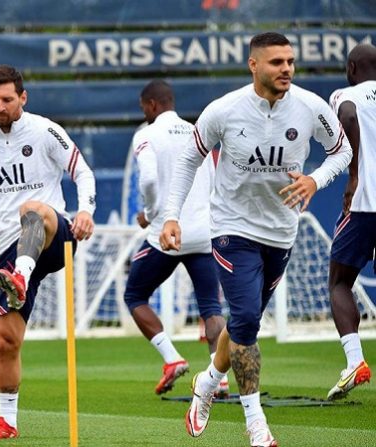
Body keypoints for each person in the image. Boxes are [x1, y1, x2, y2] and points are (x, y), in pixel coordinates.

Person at [159, 32, 352, 446]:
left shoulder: (309, 107)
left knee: (244, 321)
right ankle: (255, 423)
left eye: (290, 61)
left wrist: (316, 180)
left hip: (281, 232)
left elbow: (342, 150)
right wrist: (171, 215)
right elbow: (189, 157)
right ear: (253, 65)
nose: (286, 69)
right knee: (246, 320)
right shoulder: (224, 110)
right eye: (276, 62)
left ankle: (208, 381)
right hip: (232, 229)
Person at [0, 65, 96, 440]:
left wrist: (86, 211)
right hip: (9, 247)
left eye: (7, 99)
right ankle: (7, 422)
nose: (0, 107)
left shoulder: (45, 130)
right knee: (5, 340)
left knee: (31, 210)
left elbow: (82, 172)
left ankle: (19, 275)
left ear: (23, 97)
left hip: (55, 235)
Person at [124, 80, 227, 396]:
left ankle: (171, 359)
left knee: (135, 295)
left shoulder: (146, 134)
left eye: (144, 107)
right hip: (203, 232)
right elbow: (213, 182)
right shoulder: (199, 133)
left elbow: (150, 178)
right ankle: (219, 379)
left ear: (152, 105)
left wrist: (151, 212)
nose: (144, 113)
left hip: (166, 234)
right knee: (211, 307)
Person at [326, 43, 376, 400]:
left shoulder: (346, 93)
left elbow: (346, 115)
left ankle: (355, 360)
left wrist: (354, 173)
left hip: (364, 204)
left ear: (352, 66)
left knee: (339, 282)